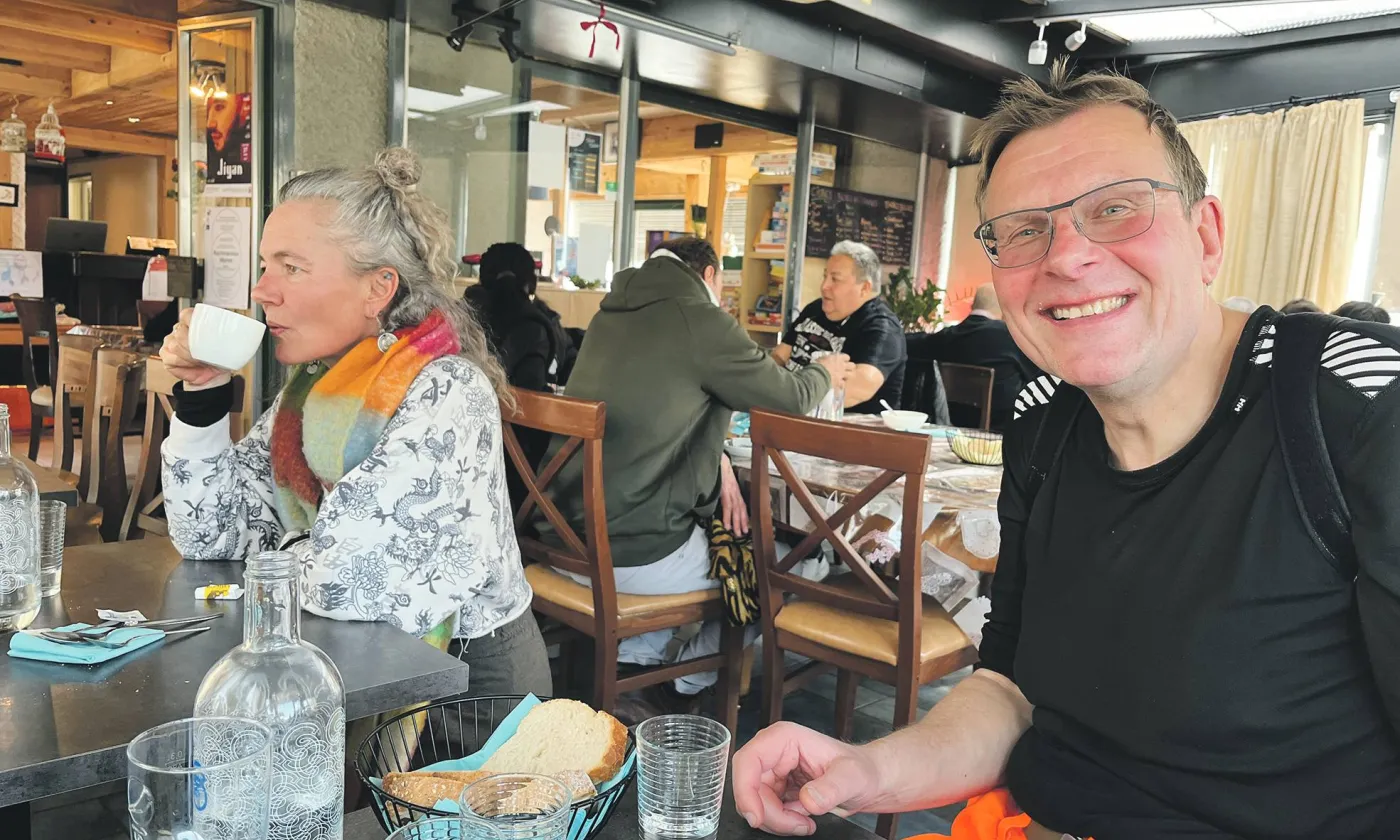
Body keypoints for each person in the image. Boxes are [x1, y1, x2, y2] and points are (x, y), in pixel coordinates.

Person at [734, 62, 1400, 840]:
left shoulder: (1352, 406)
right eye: (1023, 230)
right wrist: (867, 770)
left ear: (1206, 235)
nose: (1066, 256)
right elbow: (1011, 690)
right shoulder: (1043, 423)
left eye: (1116, 208)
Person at [159, 147, 550, 698]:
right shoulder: (319, 386)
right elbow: (212, 533)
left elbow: (348, 582)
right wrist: (203, 395)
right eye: (266, 265)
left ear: (378, 289)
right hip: (348, 671)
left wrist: (283, 553)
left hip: (465, 699)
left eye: (291, 268)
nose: (262, 290)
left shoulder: (447, 390)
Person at [544, 235, 851, 705]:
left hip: (563, 537)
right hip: (628, 555)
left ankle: (641, 658)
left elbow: (657, 408)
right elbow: (789, 399)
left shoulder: (612, 312)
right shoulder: (699, 317)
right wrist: (826, 371)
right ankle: (684, 682)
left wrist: (721, 459)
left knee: (728, 534)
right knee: (781, 567)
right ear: (709, 276)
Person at [465, 243, 572, 511]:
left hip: (463, 468)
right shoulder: (535, 327)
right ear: (531, 282)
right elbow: (532, 402)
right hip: (518, 488)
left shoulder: (459, 319)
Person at [773, 240, 906, 414]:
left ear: (864, 288)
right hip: (790, 411)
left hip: (849, 433)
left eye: (835, 279)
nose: (824, 286)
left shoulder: (883, 329)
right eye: (824, 276)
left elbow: (853, 391)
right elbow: (779, 357)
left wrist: (788, 392)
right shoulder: (815, 309)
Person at [909, 284, 1040, 430]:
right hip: (1004, 430)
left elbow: (911, 342)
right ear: (1004, 308)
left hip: (959, 423)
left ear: (972, 305)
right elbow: (1040, 377)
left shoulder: (949, 336)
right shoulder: (1012, 337)